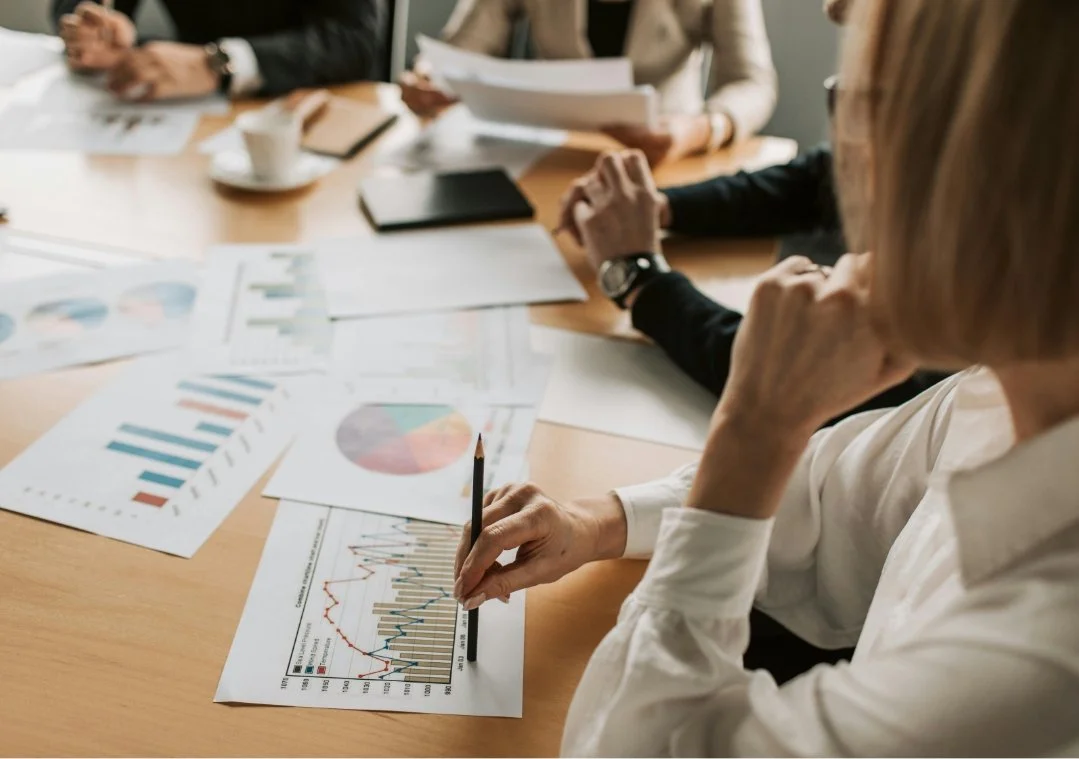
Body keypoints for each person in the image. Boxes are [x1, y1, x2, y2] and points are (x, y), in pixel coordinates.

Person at [456, 0, 1079, 753]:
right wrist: (599, 521)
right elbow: (829, 492)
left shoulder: (1036, 660)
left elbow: (625, 743)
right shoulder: (999, 394)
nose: (849, 170)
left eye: (864, 108)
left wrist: (753, 426)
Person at [400, 0, 777, 164]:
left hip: (664, 156)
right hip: (547, 151)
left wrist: (698, 130)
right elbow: (463, 46)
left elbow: (753, 82)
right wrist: (429, 76)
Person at [52, 0, 384, 101]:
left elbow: (355, 41)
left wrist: (221, 63)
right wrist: (94, 31)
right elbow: (73, 7)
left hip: (310, 111)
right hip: (185, 113)